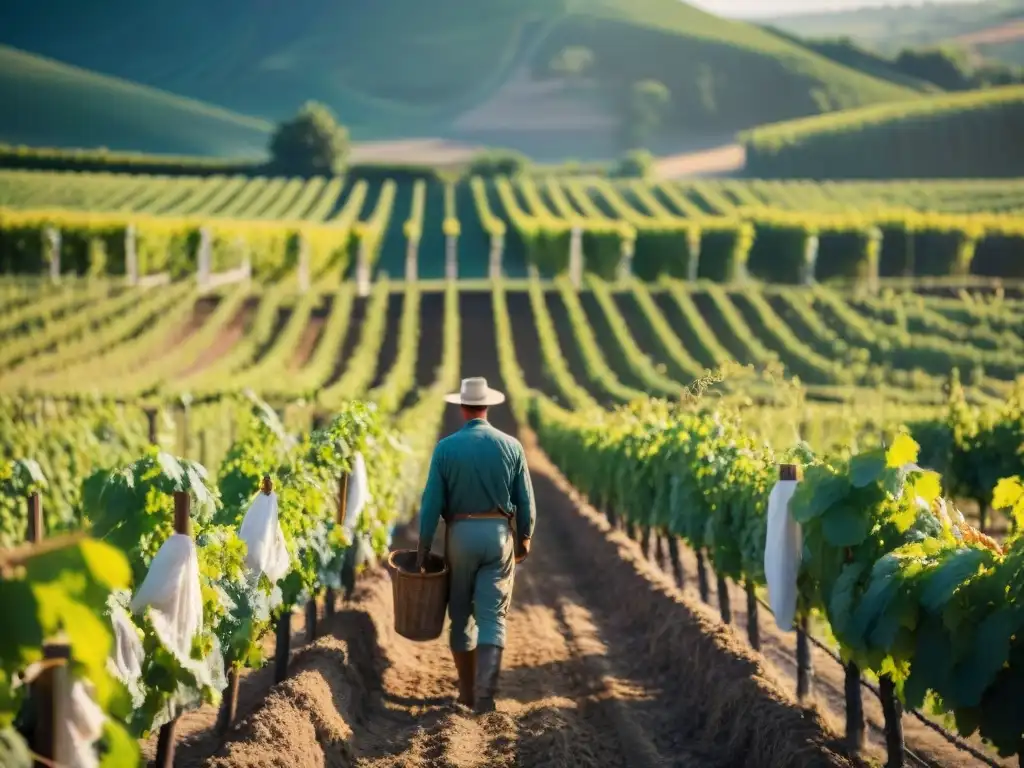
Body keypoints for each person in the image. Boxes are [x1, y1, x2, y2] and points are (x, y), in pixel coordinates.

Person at [415, 377, 536, 714]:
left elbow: (431, 505)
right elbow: (526, 500)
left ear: (461, 408)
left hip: (460, 536)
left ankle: (466, 693)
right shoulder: (511, 446)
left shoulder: (446, 448)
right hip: (497, 534)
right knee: (492, 617)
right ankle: (485, 695)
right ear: (488, 406)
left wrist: (423, 548)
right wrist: (524, 536)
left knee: (461, 617)